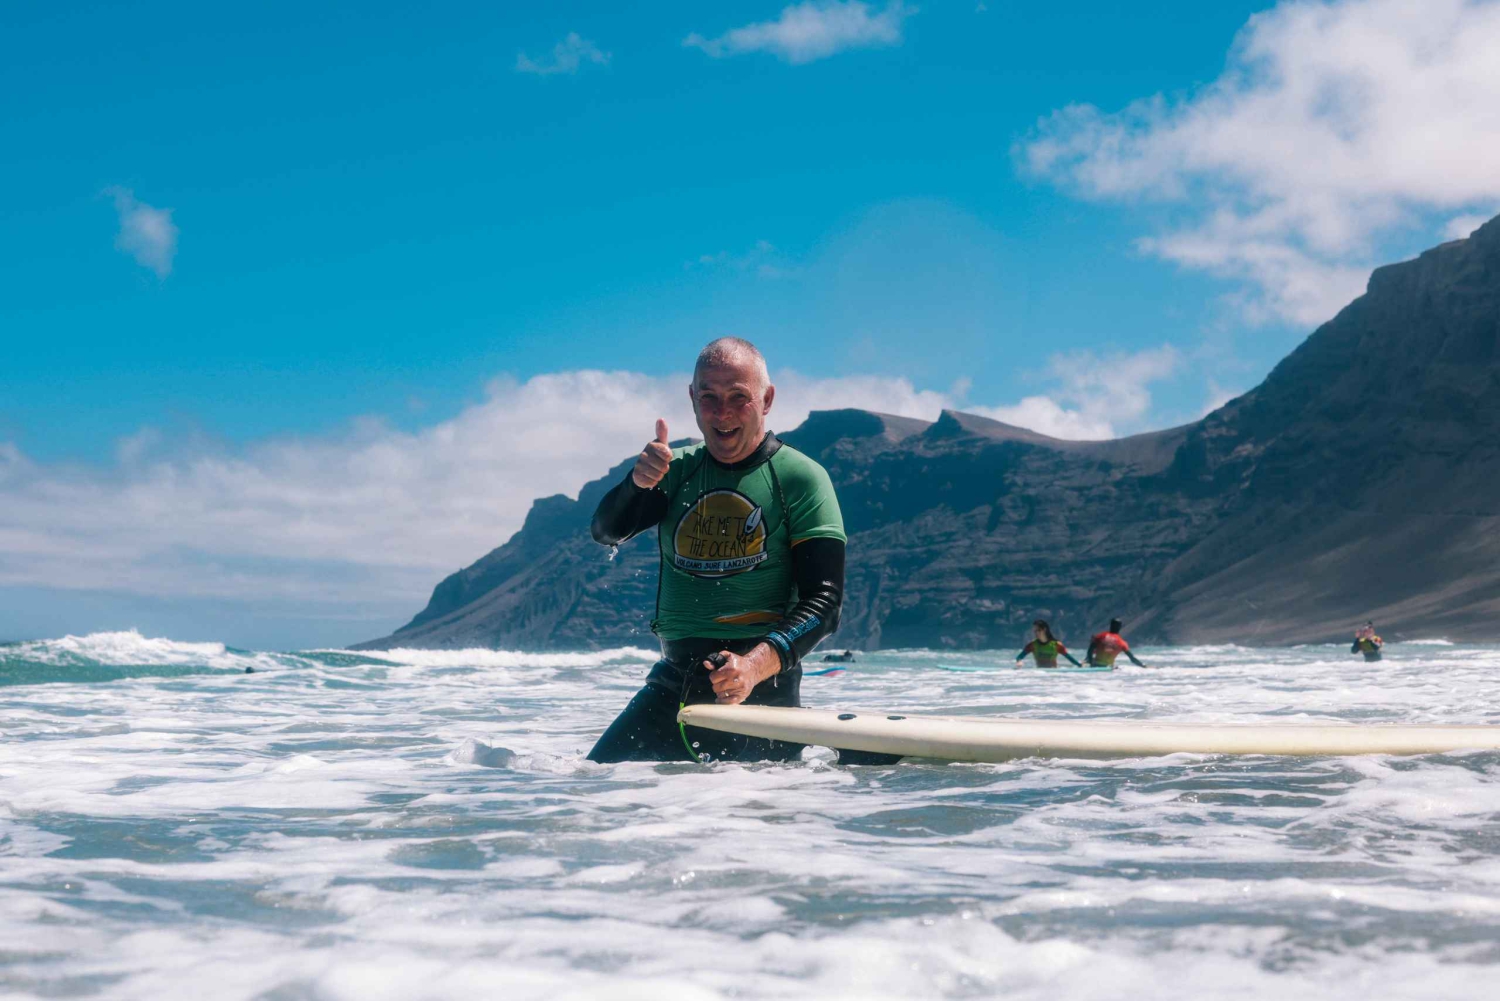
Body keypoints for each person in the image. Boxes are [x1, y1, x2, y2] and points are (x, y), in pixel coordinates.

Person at [586, 338, 846, 763]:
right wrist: (637, 484)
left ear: (767, 400)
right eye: (709, 397)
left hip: (763, 694)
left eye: (738, 397)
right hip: (675, 683)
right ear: (692, 398)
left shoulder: (800, 478)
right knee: (593, 786)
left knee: (746, 807)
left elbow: (825, 604)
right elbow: (606, 532)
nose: (722, 412)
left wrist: (752, 667)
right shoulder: (674, 470)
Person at [1015, 619, 1082, 668]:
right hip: (1039, 674)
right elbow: (1019, 656)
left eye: (1038, 630)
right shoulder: (1032, 645)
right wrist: (1019, 661)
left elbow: (1070, 658)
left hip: (1053, 675)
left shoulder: (1056, 645)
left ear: (1044, 629)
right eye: (1035, 631)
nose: (1036, 633)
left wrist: (1080, 665)